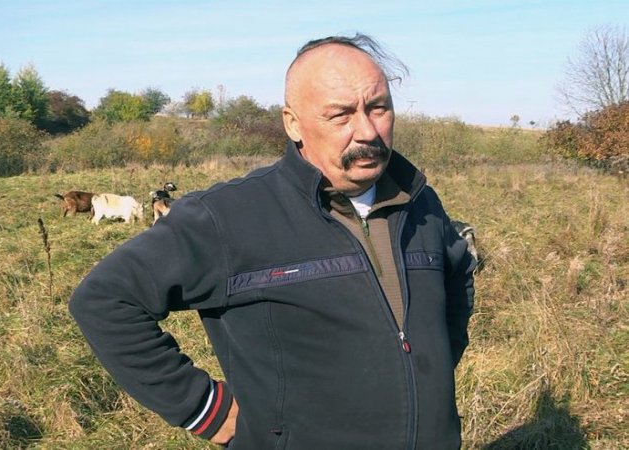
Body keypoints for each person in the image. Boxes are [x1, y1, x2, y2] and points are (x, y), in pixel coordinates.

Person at [69, 33, 476, 449]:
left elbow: (458, 271)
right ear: (293, 123)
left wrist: (433, 368)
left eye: (379, 108)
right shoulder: (227, 216)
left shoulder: (419, 200)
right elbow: (104, 300)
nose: (367, 131)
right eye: (340, 115)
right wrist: (204, 409)